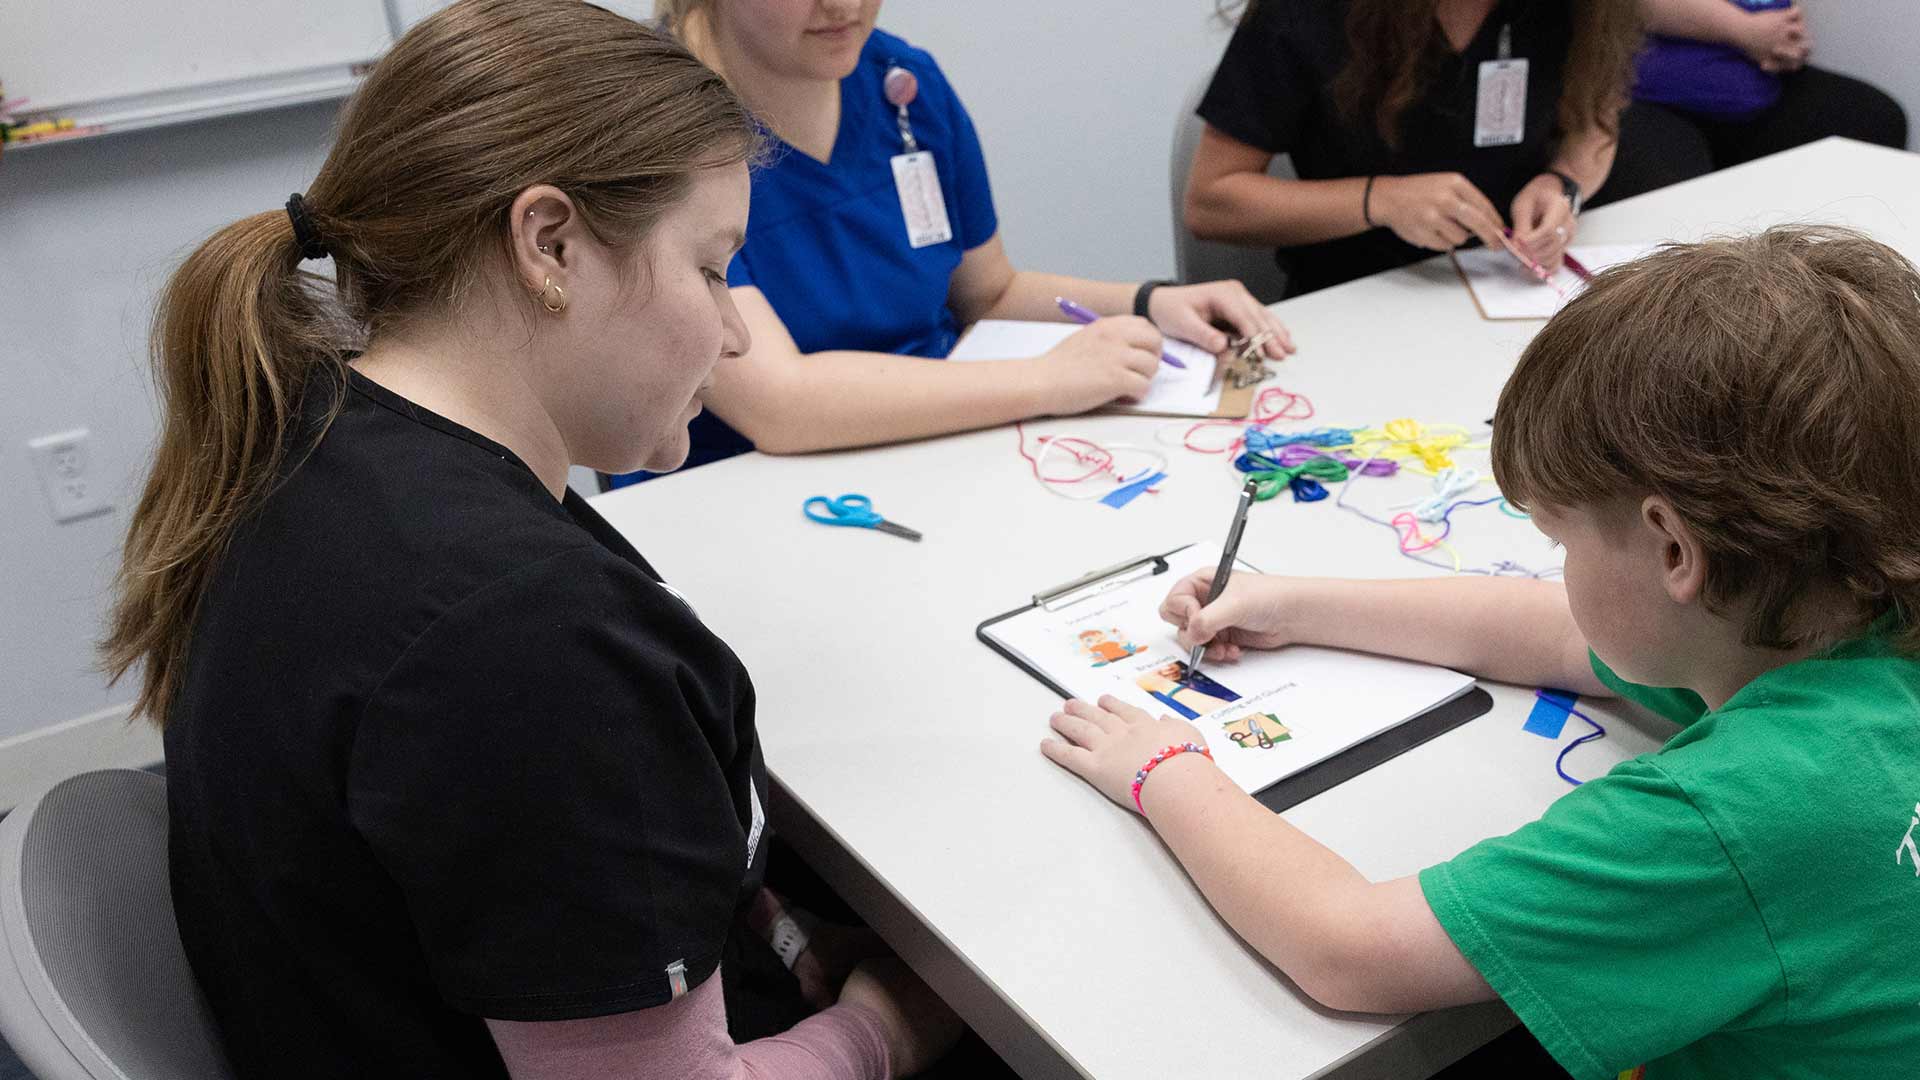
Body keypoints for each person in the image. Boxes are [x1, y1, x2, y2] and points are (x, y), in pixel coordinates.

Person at [102, 2, 958, 1076]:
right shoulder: (520, 636)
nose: (734, 328)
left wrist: (784, 939)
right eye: (710, 267)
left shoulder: (321, 441)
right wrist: (895, 1021)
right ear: (548, 243)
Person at [1041, 225, 1920, 1078]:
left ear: (1674, 553)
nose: (1560, 570)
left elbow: (1348, 950)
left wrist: (1169, 768)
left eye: (1563, 543)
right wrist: (1295, 605)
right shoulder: (1830, 615)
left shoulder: (1731, 820)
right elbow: (1558, 635)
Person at [636, 0, 1294, 476]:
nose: (844, 6)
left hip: (936, 451)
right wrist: (1045, 380)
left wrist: (1149, 301)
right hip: (733, 490)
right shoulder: (662, 129)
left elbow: (990, 291)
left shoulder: (902, 85)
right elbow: (780, 406)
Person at [1185, 0, 1642, 297]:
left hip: (1507, 289)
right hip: (1356, 301)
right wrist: (1380, 200)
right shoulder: (1305, 14)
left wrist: (1563, 182)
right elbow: (1212, 202)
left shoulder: (1585, 9)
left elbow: (1596, 121)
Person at [1601, 0, 1908, 204]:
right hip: (1643, 86)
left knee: (1874, 118)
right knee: (1677, 183)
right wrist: (1743, 30)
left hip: (1751, 74)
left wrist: (1784, 36)